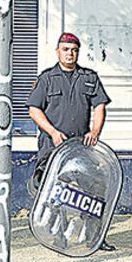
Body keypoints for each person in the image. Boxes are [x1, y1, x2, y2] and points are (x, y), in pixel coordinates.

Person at [28, 32, 114, 249]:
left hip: (81, 149)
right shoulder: (47, 78)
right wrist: (53, 132)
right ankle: (56, 236)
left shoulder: (89, 77)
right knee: (55, 192)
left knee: (94, 191)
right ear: (58, 52)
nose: (70, 54)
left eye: (74, 50)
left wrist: (95, 131)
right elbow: (34, 109)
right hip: (53, 148)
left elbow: (100, 106)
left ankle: (94, 238)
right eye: (65, 49)